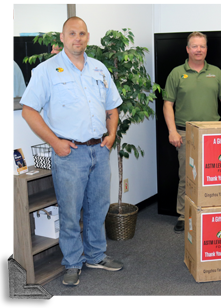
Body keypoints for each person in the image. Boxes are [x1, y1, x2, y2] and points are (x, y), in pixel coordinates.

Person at [21, 16, 124, 286]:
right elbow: (29, 111)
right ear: (63, 38)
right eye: (72, 34)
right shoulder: (46, 71)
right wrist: (55, 143)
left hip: (99, 150)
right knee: (69, 211)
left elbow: (112, 107)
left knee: (98, 207)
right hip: (69, 152)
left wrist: (111, 134)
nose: (77, 38)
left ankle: (95, 255)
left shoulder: (99, 69)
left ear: (87, 37)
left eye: (82, 34)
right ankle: (72, 263)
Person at [163, 31, 221, 232]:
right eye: (194, 46)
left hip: (213, 133)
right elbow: (168, 104)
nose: (199, 49)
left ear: (206, 49)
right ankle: (184, 216)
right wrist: (172, 131)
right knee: (187, 176)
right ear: (187, 49)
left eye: (202, 46)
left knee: (216, 175)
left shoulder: (217, 73)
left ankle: (213, 211)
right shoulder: (177, 73)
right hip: (186, 134)